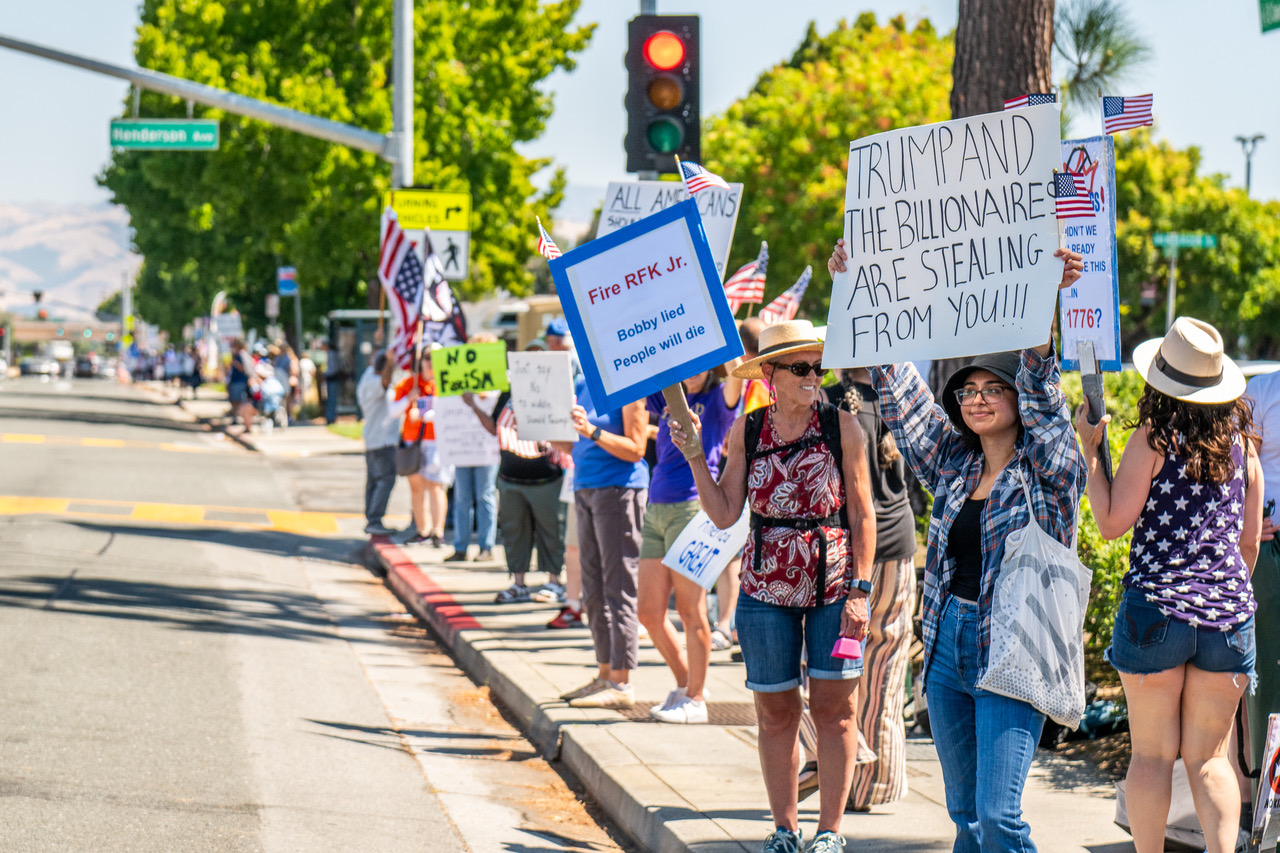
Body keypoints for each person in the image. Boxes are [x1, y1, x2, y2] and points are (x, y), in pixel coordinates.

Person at [830, 239, 1086, 852]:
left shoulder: (1048, 468)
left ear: (1016, 402)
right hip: (948, 648)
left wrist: (1044, 303)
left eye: (990, 390)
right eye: (967, 391)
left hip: (1014, 648)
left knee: (999, 817)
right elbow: (899, 387)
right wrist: (856, 285)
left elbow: (1047, 396)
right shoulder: (952, 462)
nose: (975, 398)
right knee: (965, 817)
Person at [669, 319, 876, 853]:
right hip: (764, 588)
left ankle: (830, 832)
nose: (814, 377)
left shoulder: (842, 427)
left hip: (834, 587)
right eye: (801, 368)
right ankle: (785, 830)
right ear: (770, 373)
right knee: (774, 711)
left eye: (817, 367)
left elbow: (863, 514)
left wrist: (861, 589)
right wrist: (695, 454)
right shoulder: (750, 430)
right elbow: (723, 514)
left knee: (836, 711)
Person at [1078, 316, 1260, 853]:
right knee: (1211, 759)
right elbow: (1247, 546)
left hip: (1156, 609)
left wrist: (1091, 452)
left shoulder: (1152, 440)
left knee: (1152, 756)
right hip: (1228, 617)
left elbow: (1112, 523)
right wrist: (1219, 597)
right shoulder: (1243, 450)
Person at [795, 366, 918, 809]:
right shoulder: (901, 401)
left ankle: (844, 755)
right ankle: (871, 787)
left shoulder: (823, 404)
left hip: (847, 551)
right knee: (885, 670)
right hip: (899, 543)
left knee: (821, 666)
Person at [638, 365, 743, 724]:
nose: (694, 372)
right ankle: (687, 684)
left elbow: (736, 380)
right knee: (649, 613)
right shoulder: (667, 394)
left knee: (690, 609)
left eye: (701, 365)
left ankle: (696, 699)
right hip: (656, 505)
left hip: (692, 505)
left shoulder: (717, 399)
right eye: (687, 365)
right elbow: (634, 384)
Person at [557, 374, 649, 710]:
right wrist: (551, 433)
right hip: (585, 486)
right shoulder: (582, 382)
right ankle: (605, 673)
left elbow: (636, 448)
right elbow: (576, 443)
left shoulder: (629, 380)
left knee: (618, 586)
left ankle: (622, 682)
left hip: (618, 490)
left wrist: (591, 431)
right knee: (592, 590)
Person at [462, 341, 569, 602]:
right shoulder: (508, 392)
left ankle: (554, 582)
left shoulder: (556, 390)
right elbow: (494, 427)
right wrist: (473, 405)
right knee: (513, 531)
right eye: (527, 360)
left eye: (538, 360)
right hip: (510, 477)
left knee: (551, 531)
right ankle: (518, 583)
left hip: (546, 476)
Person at [1243, 366, 1280, 812]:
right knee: (1268, 686)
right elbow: (1242, 468)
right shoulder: (1262, 389)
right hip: (1271, 551)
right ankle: (1268, 811)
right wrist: (1246, 523)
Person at [448, 332, 502, 563]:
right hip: (463, 446)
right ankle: (460, 547)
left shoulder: (498, 379)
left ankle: (486, 546)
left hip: (486, 449)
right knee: (462, 498)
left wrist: (477, 398)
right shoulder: (459, 376)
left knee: (485, 496)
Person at [395, 346, 453, 546]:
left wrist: (423, 413)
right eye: (427, 357)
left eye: (435, 358)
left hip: (438, 441)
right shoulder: (410, 383)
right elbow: (394, 411)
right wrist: (408, 399)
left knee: (437, 487)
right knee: (417, 487)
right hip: (413, 443)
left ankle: (438, 532)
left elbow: (448, 412)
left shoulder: (448, 384)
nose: (430, 362)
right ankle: (422, 531)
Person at [358, 349, 414, 536]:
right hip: (383, 440)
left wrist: (378, 345)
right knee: (386, 479)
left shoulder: (366, 377)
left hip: (373, 438)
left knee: (374, 481)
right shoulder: (377, 383)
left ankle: (371, 518)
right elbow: (384, 380)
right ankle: (374, 519)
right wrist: (390, 363)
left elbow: (375, 365)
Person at [226, 339, 257, 432]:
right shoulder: (236, 355)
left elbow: (247, 370)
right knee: (234, 400)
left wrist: (237, 365)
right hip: (235, 380)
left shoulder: (243, 355)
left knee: (241, 401)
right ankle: (235, 417)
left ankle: (244, 422)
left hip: (241, 381)